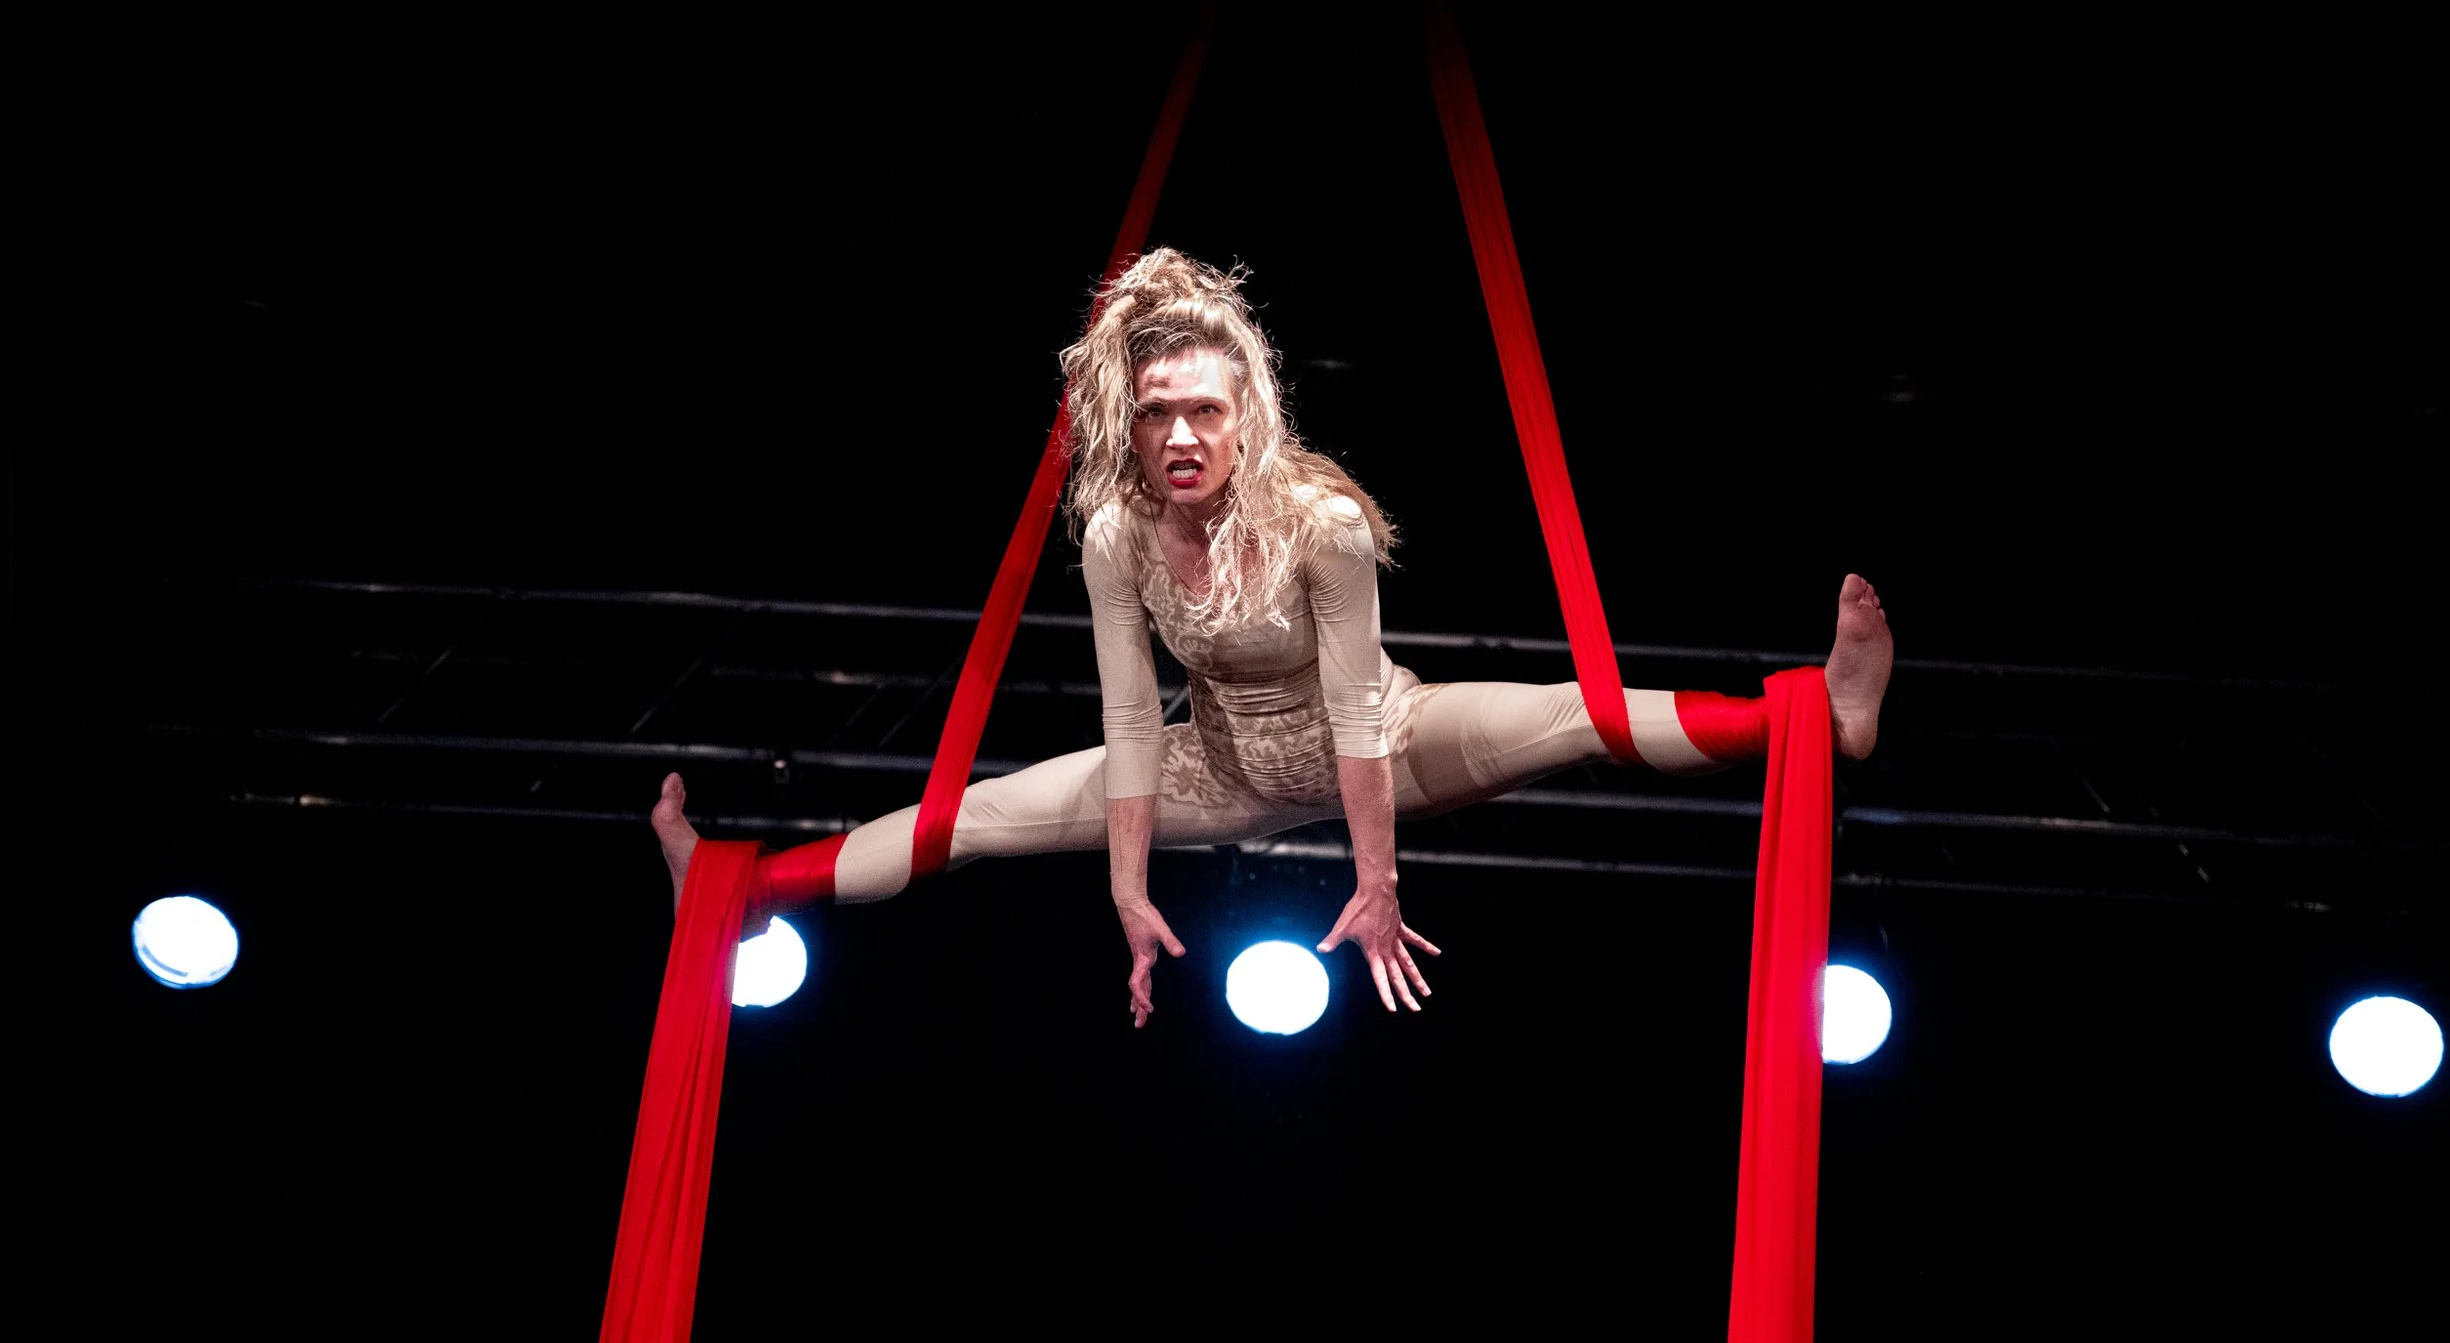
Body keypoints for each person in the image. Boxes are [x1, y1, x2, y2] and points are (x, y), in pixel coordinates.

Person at [651, 249, 1893, 1026]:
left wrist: (1376, 875)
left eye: (1202, 411)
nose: (1180, 435)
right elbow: (1132, 720)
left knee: (1582, 714)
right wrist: (1128, 891)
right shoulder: (1113, 537)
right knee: (970, 819)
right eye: (1155, 416)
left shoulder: (1324, 523)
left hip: (1384, 743)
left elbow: (1357, 710)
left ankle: (1820, 715)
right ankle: (747, 891)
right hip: (1216, 764)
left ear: (1244, 418)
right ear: (1127, 430)